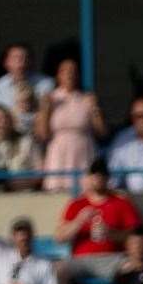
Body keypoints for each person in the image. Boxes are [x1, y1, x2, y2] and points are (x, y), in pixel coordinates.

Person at [54, 158, 140, 284]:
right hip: (80, 260)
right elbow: (59, 237)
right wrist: (79, 221)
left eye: (102, 175)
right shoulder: (76, 204)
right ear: (88, 177)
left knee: (135, 269)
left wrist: (111, 234)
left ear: (108, 178)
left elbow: (136, 235)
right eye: (95, 175)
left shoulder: (121, 203)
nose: (98, 178)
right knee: (55, 271)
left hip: (112, 258)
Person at [37, 58, 106, 193]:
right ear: (58, 75)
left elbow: (102, 132)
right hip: (59, 152)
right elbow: (42, 135)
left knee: (85, 191)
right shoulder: (51, 98)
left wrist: (95, 109)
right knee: (57, 192)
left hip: (83, 151)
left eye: (73, 71)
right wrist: (45, 109)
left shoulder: (86, 98)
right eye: (65, 71)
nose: (69, 74)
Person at [0, 43, 53, 135]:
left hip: (37, 141)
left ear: (31, 61)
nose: (21, 62)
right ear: (6, 63)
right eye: (16, 58)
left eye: (25, 58)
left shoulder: (46, 84)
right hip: (7, 143)